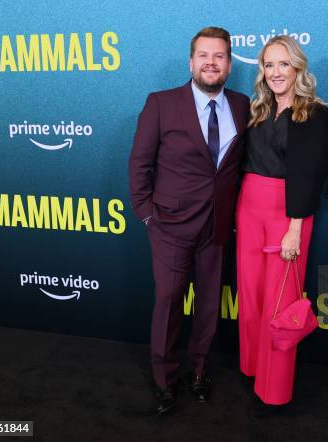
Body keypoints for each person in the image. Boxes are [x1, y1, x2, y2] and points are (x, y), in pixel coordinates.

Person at [128, 26, 250, 415]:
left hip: (217, 227)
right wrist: (147, 215)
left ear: (230, 64)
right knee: (168, 303)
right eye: (203, 55)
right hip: (170, 226)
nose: (210, 62)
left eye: (218, 56)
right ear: (191, 61)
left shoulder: (243, 105)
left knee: (210, 305)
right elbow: (139, 163)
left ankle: (198, 370)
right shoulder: (161, 103)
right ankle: (165, 379)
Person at [236, 35, 328, 417]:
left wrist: (295, 229)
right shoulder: (258, 108)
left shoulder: (314, 114)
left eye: (283, 64)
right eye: (268, 65)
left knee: (280, 302)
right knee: (251, 296)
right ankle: (252, 370)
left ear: (298, 68)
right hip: (249, 208)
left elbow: (310, 176)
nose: (275, 72)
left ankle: (274, 389)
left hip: (288, 213)